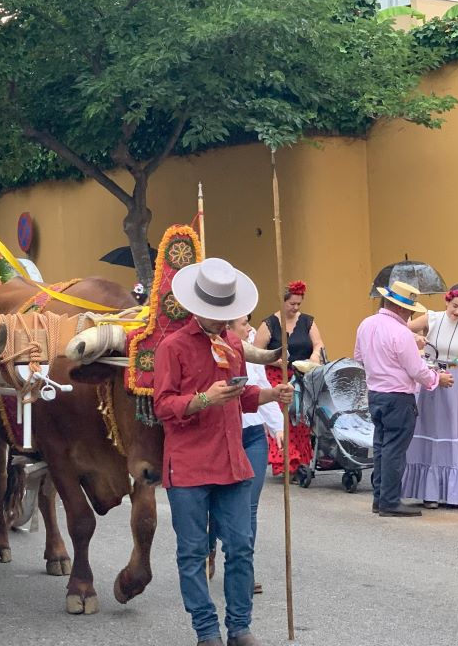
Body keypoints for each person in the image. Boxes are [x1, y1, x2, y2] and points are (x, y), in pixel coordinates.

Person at [155, 258, 293, 646]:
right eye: (218, 314)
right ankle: (206, 631)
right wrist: (202, 399)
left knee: (241, 546)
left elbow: (241, 395)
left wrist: (271, 394)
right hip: (188, 463)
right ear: (197, 308)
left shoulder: (233, 344)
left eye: (227, 313)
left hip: (233, 462)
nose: (224, 320)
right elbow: (163, 406)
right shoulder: (172, 347)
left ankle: (239, 627)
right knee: (193, 552)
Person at [355, 281, 453, 518]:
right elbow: (416, 370)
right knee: (394, 450)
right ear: (400, 308)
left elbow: (359, 357)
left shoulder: (366, 324)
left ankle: (380, 498)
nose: (410, 314)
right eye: (410, 310)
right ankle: (389, 501)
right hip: (398, 396)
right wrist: (436, 378)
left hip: (375, 393)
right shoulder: (401, 333)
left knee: (380, 446)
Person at [207, 314, 282, 593]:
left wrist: (278, 427)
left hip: (252, 435)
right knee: (217, 503)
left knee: (248, 506)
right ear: (226, 327)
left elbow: (261, 390)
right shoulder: (207, 352)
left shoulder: (250, 355)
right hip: (219, 437)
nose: (251, 328)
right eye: (243, 323)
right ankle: (208, 547)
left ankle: (242, 570)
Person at [401, 284, 458, 508]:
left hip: (455, 381)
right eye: (455, 306)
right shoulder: (431, 318)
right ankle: (429, 493)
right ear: (447, 301)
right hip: (430, 376)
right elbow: (401, 331)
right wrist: (417, 340)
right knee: (431, 429)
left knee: (456, 430)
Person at [253, 280, 324, 476]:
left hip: (301, 376)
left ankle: (300, 461)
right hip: (277, 375)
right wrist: (276, 361)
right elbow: (257, 353)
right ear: (282, 302)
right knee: (283, 417)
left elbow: (318, 344)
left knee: (300, 418)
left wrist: (315, 355)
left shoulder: (307, 321)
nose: (295, 307)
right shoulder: (269, 324)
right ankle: (286, 462)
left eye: (298, 304)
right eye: (292, 303)